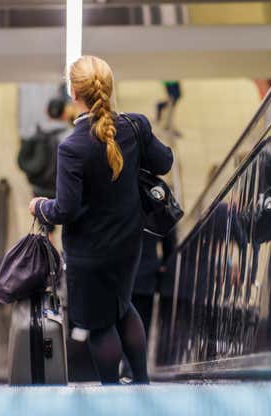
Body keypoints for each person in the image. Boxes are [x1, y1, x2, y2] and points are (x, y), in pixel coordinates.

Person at [30, 56, 173, 384]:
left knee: (99, 323)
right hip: (129, 244)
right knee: (122, 308)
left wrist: (39, 206)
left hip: (89, 253)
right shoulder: (135, 126)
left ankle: (111, 390)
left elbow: (64, 210)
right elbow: (164, 162)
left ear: (73, 92)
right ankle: (141, 381)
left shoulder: (73, 147)